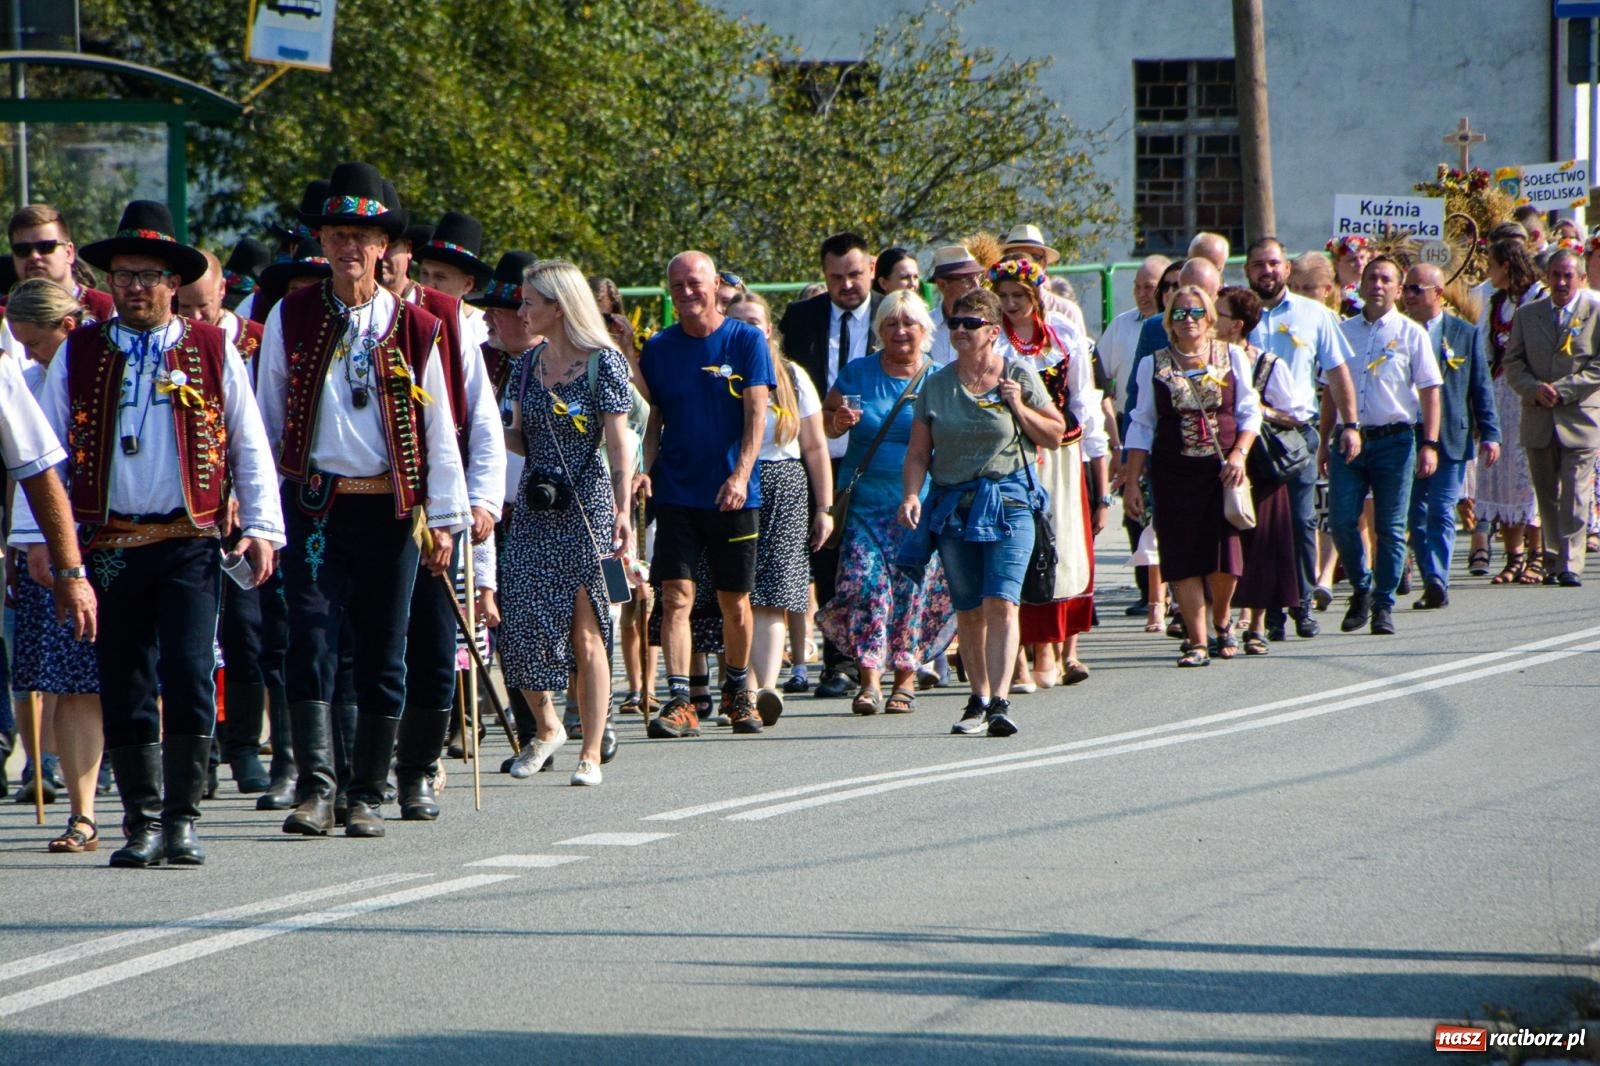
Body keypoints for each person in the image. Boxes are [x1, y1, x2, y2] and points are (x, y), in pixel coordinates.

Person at [13, 200, 282, 867]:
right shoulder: (81, 351)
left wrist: (263, 526)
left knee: (190, 672)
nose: (135, 285)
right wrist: (40, 538)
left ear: (172, 283)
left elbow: (248, 443)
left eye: (149, 274)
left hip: (188, 540)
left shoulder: (213, 348)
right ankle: (139, 821)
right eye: (124, 274)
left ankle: (183, 818)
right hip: (109, 547)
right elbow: (44, 455)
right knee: (123, 676)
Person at [257, 162, 469, 839]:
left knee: (385, 646)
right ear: (321, 242)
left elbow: (440, 432)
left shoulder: (416, 326)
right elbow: (263, 421)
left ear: (385, 248)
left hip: (393, 508)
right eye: (338, 234)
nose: (350, 248)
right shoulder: (291, 315)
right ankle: (318, 789)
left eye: (364, 237)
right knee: (309, 640)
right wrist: (259, 508)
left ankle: (368, 793)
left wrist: (444, 518)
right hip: (316, 505)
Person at [899, 288, 1064, 736]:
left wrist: (1019, 405)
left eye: (970, 323)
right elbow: (918, 453)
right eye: (954, 322)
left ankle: (1000, 703)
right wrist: (912, 495)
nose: (959, 331)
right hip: (954, 507)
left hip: (1010, 502)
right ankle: (978, 699)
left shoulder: (1018, 374)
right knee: (969, 610)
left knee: (1002, 601)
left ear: (993, 331)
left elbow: (1055, 433)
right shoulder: (935, 384)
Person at [498, 260, 633, 784]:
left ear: (559, 306)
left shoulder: (605, 363)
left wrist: (622, 511)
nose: (522, 310)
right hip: (536, 505)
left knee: (588, 633)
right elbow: (518, 436)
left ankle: (591, 753)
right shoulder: (526, 365)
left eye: (530, 301)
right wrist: (476, 428)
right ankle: (547, 725)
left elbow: (620, 443)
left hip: (588, 506)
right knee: (524, 625)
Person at [641, 250, 775, 737]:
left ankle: (738, 692)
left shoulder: (745, 340)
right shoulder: (658, 347)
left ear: (716, 284)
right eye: (677, 286)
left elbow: (756, 415)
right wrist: (645, 470)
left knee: (733, 601)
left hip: (733, 494)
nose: (686, 293)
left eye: (695, 283)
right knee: (674, 596)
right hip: (677, 491)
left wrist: (740, 475)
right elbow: (654, 418)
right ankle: (680, 699)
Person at [2, 280, 104, 851]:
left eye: (36, 344)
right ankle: (82, 813)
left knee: (141, 680)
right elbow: (28, 475)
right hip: (51, 546)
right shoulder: (28, 380)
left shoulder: (99, 373)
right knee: (70, 681)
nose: (31, 356)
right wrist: (24, 542)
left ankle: (161, 802)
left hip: (119, 538)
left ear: (68, 328)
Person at [819, 290, 953, 713]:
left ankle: (905, 679)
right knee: (865, 588)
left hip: (919, 505)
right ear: (878, 331)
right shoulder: (857, 373)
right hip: (864, 505)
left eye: (908, 323)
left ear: (924, 330)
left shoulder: (939, 378)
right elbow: (825, 422)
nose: (899, 331)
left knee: (910, 591)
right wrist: (838, 423)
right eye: (891, 324)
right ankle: (870, 680)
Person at [1123, 285, 1262, 666]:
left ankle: (1222, 623)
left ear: (1210, 319)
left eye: (1196, 312)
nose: (1189, 320)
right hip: (1173, 471)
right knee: (1181, 554)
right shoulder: (1154, 363)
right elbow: (1141, 423)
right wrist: (1133, 479)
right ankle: (1197, 641)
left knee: (1223, 553)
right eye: (1180, 313)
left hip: (1221, 471)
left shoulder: (1232, 356)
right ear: (1169, 319)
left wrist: (1239, 454)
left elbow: (1251, 412)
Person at [990, 256, 1108, 685]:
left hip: (1060, 452)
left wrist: (1100, 473)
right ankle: (1017, 654)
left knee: (1056, 547)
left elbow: (1083, 402)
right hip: (1010, 452)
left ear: (1036, 296)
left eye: (1018, 296)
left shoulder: (1064, 337)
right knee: (1014, 545)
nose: (1010, 304)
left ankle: (1049, 650)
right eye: (1002, 297)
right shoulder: (993, 341)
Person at [777, 232, 880, 700]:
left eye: (855, 274)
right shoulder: (801, 318)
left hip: (881, 458)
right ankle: (838, 664)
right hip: (821, 456)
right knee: (829, 563)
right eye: (836, 277)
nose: (847, 285)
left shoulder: (892, 315)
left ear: (873, 269)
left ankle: (878, 658)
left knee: (877, 565)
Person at [1244, 237, 1363, 640]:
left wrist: (1350, 425)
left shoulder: (1314, 315)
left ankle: (1302, 602)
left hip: (1296, 434)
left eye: (1274, 263)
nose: (1267, 271)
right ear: (1247, 271)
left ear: (1287, 270)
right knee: (1260, 525)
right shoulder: (1238, 315)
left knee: (1299, 521)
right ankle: (1270, 609)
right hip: (1249, 435)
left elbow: (1338, 372)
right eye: (1259, 264)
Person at [725, 292, 831, 721]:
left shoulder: (791, 375)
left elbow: (815, 444)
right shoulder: (720, 374)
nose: (748, 330)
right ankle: (740, 686)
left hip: (783, 481)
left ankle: (764, 688)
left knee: (773, 593)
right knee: (737, 591)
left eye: (755, 321)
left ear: (769, 328)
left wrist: (824, 507)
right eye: (738, 322)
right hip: (732, 482)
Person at [1322, 256, 1442, 635]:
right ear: (1360, 284)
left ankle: (1383, 603)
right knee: (1342, 521)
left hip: (1395, 439)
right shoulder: (1343, 331)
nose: (1376, 284)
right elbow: (1329, 390)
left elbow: (1429, 391)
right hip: (1349, 440)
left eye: (1385, 279)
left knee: (1390, 528)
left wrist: (1430, 443)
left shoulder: (1411, 334)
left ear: (1398, 288)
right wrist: (1325, 440)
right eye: (1371, 277)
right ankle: (1361, 586)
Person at [1402, 262, 1499, 608]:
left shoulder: (1464, 333)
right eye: (1406, 288)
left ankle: (1437, 580)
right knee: (1415, 513)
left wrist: (1491, 433)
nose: (1408, 295)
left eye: (1416, 289)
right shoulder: (1399, 330)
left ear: (1438, 293)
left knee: (1441, 510)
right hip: (1409, 435)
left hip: (1451, 437)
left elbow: (1480, 387)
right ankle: (1430, 576)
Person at [1503, 248, 1600, 586]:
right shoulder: (1528, 315)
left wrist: (1565, 389)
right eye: (1555, 275)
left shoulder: (1595, 312)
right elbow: (1512, 362)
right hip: (1539, 418)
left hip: (1580, 419)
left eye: (1568, 276)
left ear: (1581, 279)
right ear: (1547, 278)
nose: (1561, 282)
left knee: (1575, 491)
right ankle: (1554, 558)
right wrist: (1532, 389)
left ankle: (1571, 564)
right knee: (1547, 495)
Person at [1215, 285, 1298, 655]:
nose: (1208, 320)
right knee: (1224, 545)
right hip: (1219, 464)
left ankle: (1258, 624)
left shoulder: (1267, 363)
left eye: (1217, 314)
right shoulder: (1207, 361)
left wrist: (1261, 410)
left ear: (1236, 325)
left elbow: (1295, 414)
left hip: (1260, 465)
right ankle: (1223, 621)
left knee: (1261, 544)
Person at [1472, 238, 1548, 584]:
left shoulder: (1538, 297)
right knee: (1501, 476)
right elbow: (1488, 350)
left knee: (1528, 475)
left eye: (1492, 264)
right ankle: (1513, 555)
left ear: (1506, 265)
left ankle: (1537, 554)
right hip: (1500, 393)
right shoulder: (1497, 301)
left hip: (1527, 394)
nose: (1489, 271)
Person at [178, 249, 265, 364]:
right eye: (185, 306)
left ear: (222, 288)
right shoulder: (165, 339)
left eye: (203, 305)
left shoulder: (260, 338)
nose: (195, 317)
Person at [925, 245, 986, 367]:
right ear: (942, 284)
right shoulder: (925, 326)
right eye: (967, 279)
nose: (976, 285)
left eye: (978, 277)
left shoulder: (988, 323)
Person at [413, 211, 494, 298]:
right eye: (424, 273)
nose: (428, 285)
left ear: (467, 284)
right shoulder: (403, 310)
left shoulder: (479, 312)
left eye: (440, 277)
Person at [1327, 235, 1369, 317]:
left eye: (1362, 257)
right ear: (1336, 264)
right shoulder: (1328, 292)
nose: (1360, 264)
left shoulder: (1372, 290)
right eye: (1352, 260)